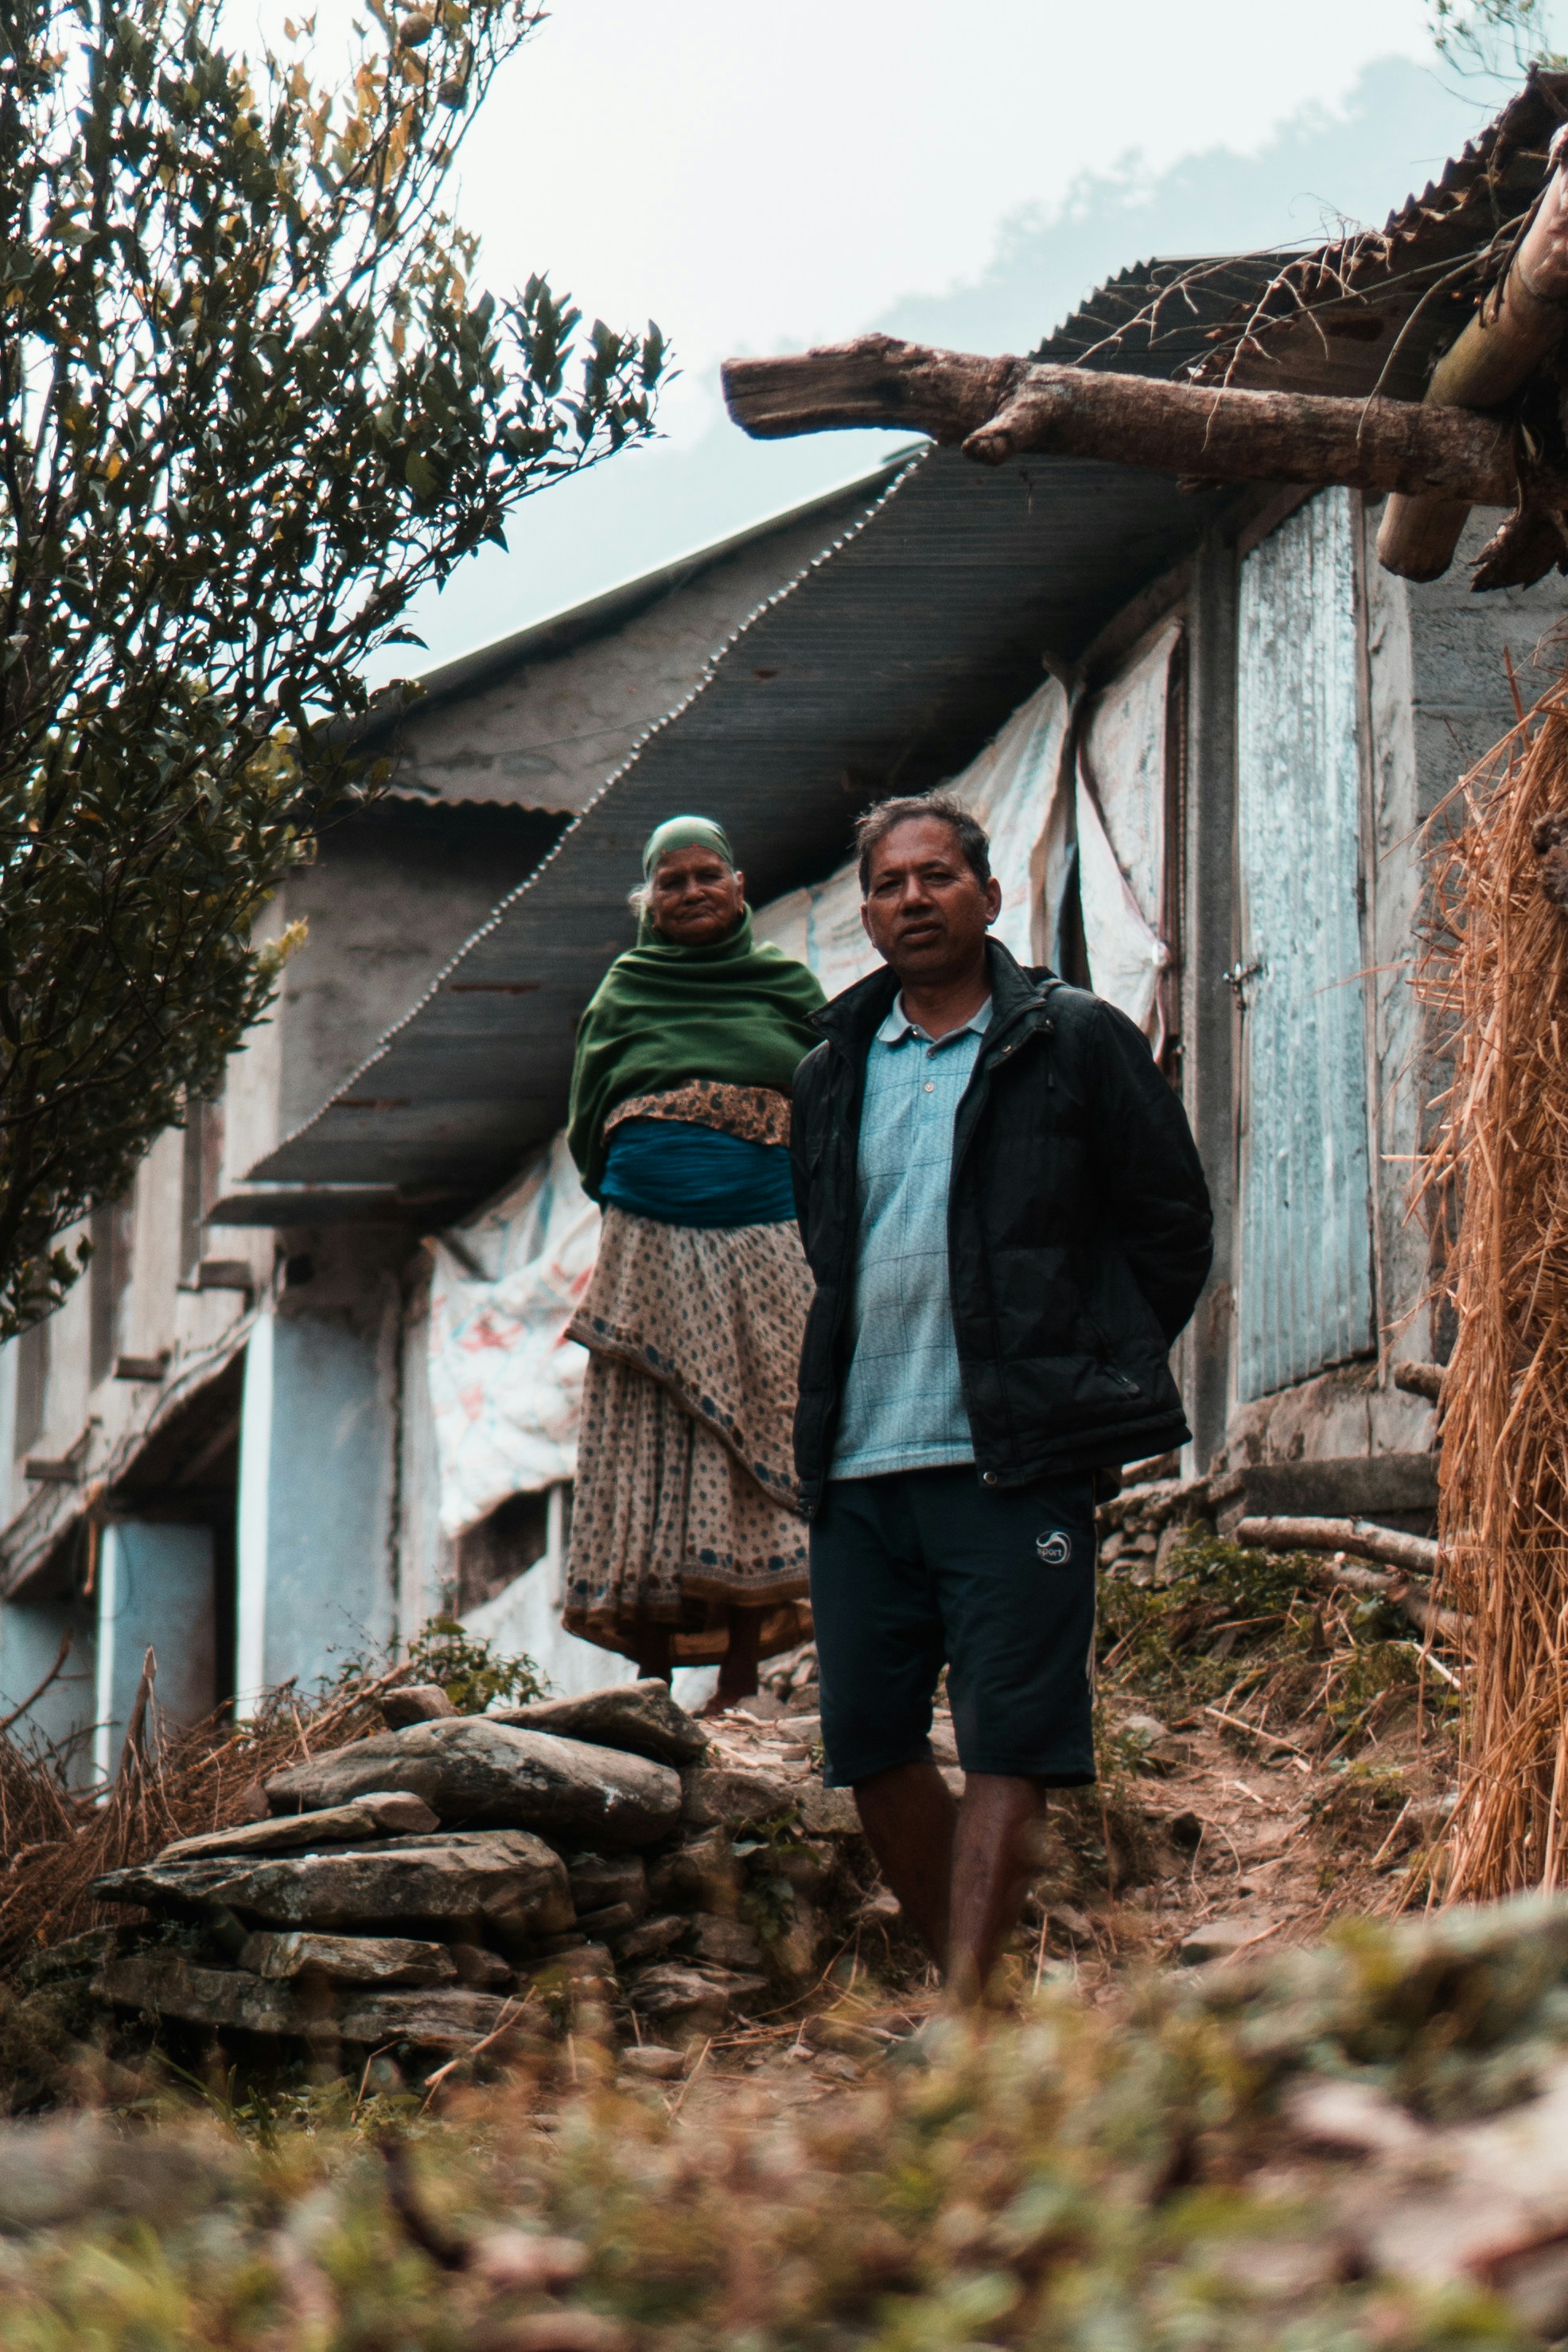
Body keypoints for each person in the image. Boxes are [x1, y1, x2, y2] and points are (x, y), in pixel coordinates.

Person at [791, 792, 1212, 2002]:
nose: (911, 899)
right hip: (859, 1464)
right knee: (869, 1747)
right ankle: (985, 2007)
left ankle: (965, 2032)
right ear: (864, 913)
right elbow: (832, 1252)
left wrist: (1090, 1376)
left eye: (935, 876)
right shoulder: (828, 1074)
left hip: (1012, 1460)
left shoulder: (1070, 1039)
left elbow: (1168, 1226)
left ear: (988, 894)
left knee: (1009, 1741)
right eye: (886, 884)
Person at [563, 815, 827, 1711]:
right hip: (649, 1227)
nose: (690, 893)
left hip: (766, 1226)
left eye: (706, 875)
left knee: (762, 1414)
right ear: (648, 900)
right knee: (651, 1428)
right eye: (669, 881)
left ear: (740, 885)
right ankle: (650, 1676)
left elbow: (829, 1098)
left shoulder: (787, 986)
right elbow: (587, 1114)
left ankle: (742, 1672)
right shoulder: (623, 991)